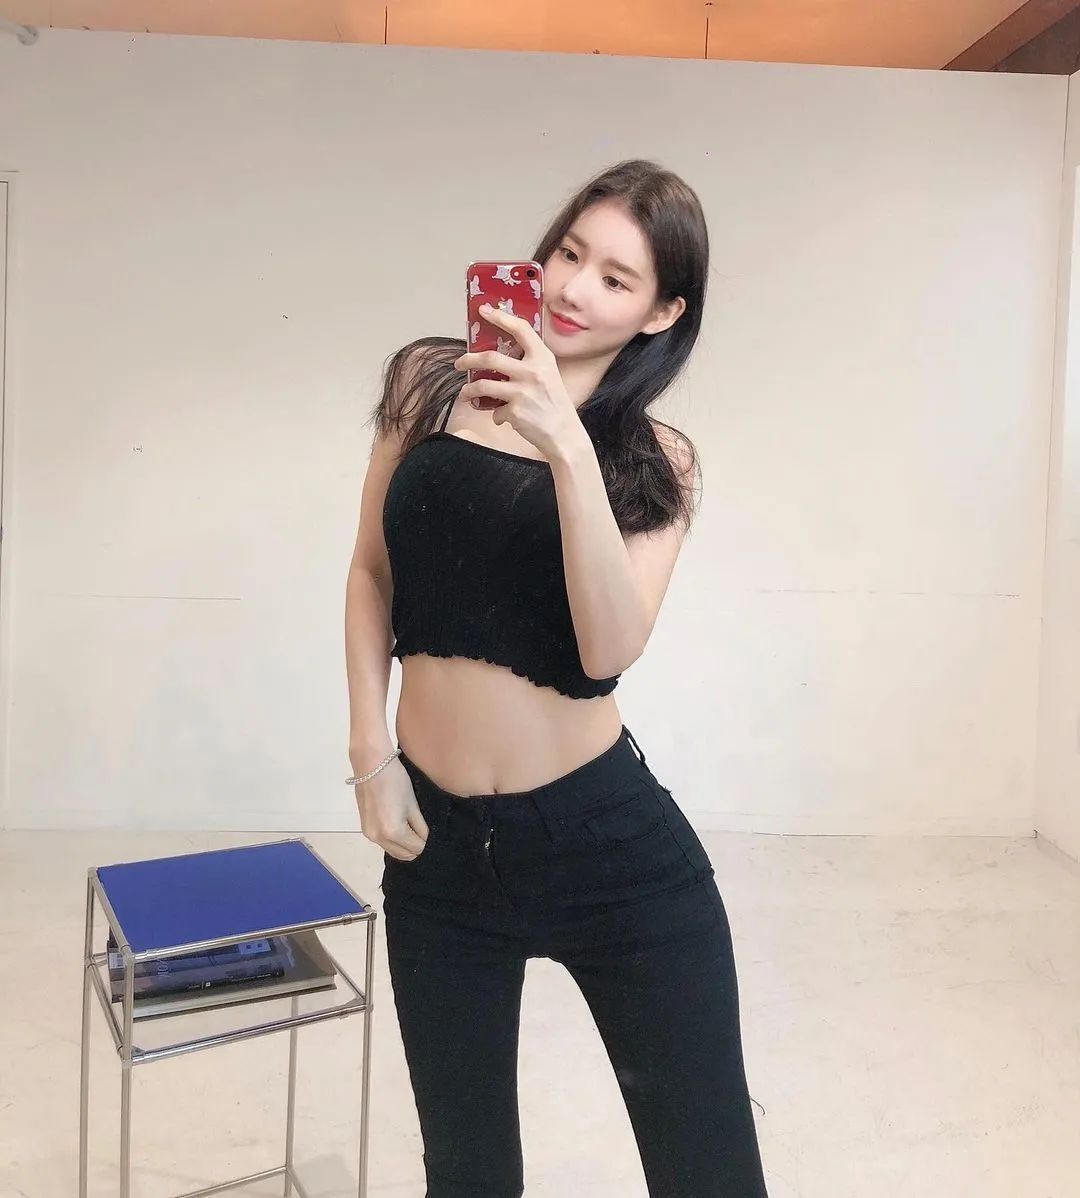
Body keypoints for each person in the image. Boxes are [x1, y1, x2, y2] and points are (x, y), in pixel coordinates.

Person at [344, 159, 769, 1197]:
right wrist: (370, 755)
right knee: (468, 1176)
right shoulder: (430, 383)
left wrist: (568, 451)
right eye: (570, 252)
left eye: (616, 279)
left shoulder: (656, 460)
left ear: (662, 313)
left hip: (606, 845)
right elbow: (369, 573)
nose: (575, 288)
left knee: (708, 1171)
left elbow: (609, 649)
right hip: (437, 850)